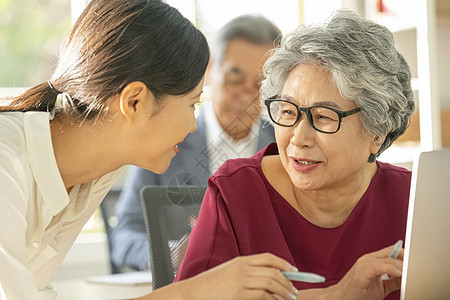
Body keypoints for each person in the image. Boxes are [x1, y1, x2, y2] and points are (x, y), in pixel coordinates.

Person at [0, 1, 300, 299]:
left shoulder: (94, 174)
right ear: (135, 102)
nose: (193, 124)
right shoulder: (6, 160)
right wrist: (195, 290)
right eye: (191, 104)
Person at [175, 10, 415, 300]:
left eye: (324, 117)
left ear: (377, 132)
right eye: (287, 112)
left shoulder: (414, 198)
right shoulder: (235, 192)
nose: (298, 138)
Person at [110, 14, 281, 272]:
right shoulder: (164, 141)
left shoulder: (284, 145)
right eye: (235, 79)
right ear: (211, 69)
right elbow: (124, 235)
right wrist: (168, 257)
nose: (247, 94)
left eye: (261, 85)